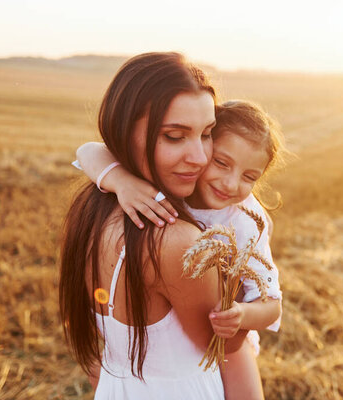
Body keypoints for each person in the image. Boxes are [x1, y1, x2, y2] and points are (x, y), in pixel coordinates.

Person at [60, 52, 246, 399]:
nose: (200, 157)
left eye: (207, 134)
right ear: (123, 131)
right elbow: (226, 349)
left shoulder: (90, 208)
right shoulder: (177, 243)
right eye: (175, 137)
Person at [75, 100, 286, 399]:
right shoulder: (176, 183)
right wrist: (121, 182)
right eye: (222, 163)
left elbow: (272, 304)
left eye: (249, 177)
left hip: (226, 340)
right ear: (205, 150)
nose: (230, 183)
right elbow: (87, 151)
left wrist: (241, 314)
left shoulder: (247, 224)